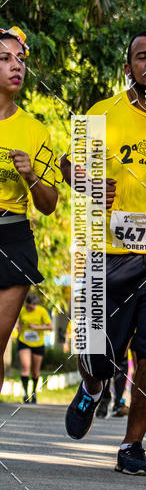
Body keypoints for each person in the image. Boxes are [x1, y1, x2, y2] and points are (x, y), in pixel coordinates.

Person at [61, 29, 146, 476]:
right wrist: (85, 183)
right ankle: (92, 388)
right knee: (98, 354)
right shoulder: (102, 113)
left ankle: (133, 446)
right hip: (106, 254)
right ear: (128, 67)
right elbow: (70, 165)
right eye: (141, 57)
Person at [0, 27, 58, 392]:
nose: (15, 66)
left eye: (20, 60)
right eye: (4, 59)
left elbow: (50, 205)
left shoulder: (35, 131)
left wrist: (32, 176)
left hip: (13, 237)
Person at [17, 292, 53, 403]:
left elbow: (50, 327)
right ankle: (25, 394)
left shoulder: (41, 311)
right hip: (24, 341)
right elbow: (18, 322)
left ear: (35, 304)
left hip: (38, 344)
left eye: (31, 307)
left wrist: (36, 327)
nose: (29, 308)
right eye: (27, 306)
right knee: (25, 366)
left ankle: (34, 393)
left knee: (36, 371)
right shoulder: (22, 310)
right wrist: (18, 329)